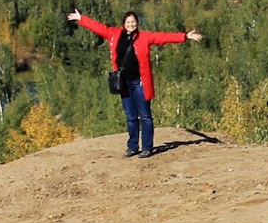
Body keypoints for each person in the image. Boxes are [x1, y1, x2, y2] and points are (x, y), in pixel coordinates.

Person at [67, 9, 203, 157]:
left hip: (140, 83)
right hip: (124, 84)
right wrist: (81, 19)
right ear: (124, 24)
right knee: (130, 117)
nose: (131, 24)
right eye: (128, 22)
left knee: (145, 116)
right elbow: (99, 27)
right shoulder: (114, 34)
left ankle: (147, 148)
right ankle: (132, 147)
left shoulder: (145, 37)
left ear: (137, 23)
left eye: (133, 22)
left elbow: (163, 37)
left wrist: (185, 36)